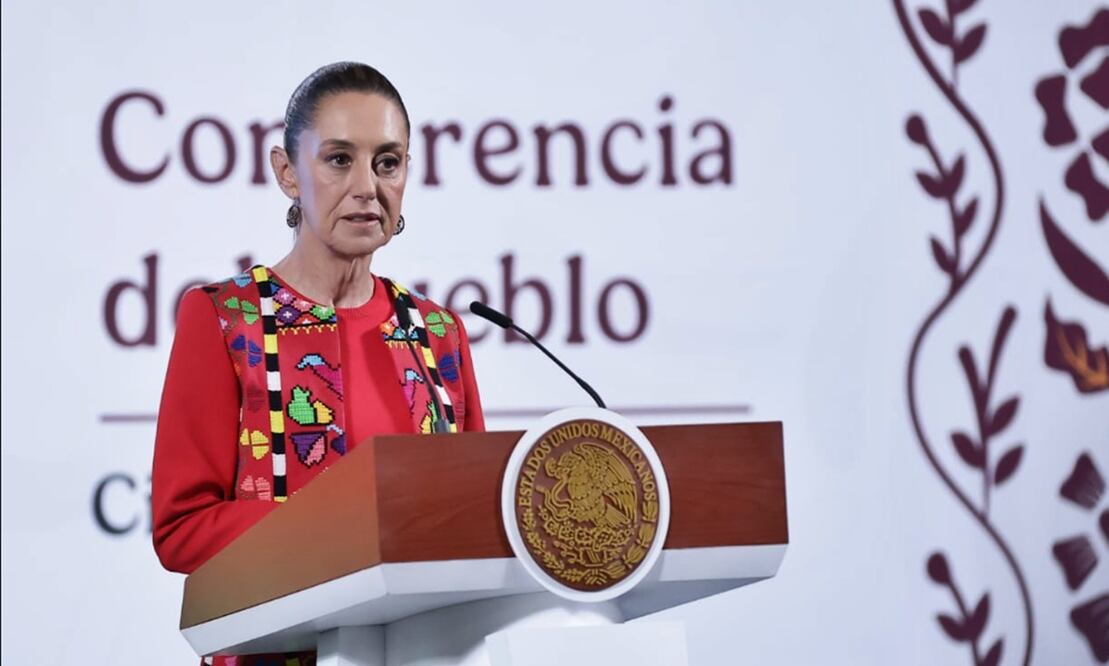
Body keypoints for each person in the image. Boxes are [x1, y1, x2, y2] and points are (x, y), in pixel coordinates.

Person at [151, 62, 485, 666]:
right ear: (287, 173)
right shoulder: (226, 320)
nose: (367, 186)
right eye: (339, 160)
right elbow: (181, 529)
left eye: (388, 162)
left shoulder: (438, 334)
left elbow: (476, 519)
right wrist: (343, 532)